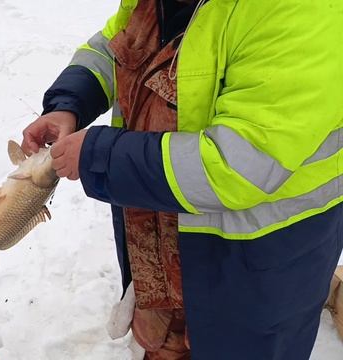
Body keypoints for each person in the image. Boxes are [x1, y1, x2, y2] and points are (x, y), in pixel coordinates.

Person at [21, 0, 343, 359]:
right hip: (162, 249)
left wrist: (100, 156)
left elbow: (237, 165)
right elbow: (116, 44)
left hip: (253, 272)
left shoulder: (302, 13)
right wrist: (71, 101)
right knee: (160, 344)